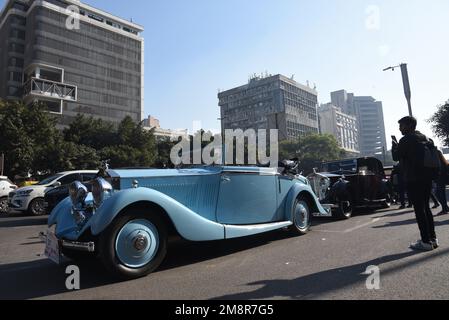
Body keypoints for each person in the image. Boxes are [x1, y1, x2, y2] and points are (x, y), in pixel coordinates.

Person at [392, 116, 438, 251]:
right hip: (427, 176)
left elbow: (396, 157)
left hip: (414, 177)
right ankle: (432, 238)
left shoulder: (406, 139)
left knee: (419, 209)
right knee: (426, 208)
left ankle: (425, 241)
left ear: (408, 125)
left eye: (401, 126)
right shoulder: (424, 137)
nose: (400, 129)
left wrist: (395, 146)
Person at [435, 150, 449, 216]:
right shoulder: (443, 161)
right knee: (438, 193)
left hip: (440, 178)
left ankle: (444, 209)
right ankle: (445, 207)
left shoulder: (439, 162)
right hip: (441, 178)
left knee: (440, 193)